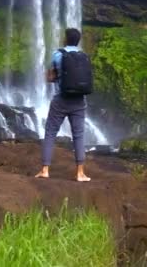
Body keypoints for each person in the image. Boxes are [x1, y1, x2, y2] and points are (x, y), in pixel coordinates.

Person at [35, 28, 92, 182]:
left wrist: (55, 76)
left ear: (66, 39)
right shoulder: (84, 56)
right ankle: (80, 173)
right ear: (78, 41)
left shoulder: (57, 54)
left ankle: (45, 170)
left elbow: (50, 77)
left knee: (50, 132)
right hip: (79, 101)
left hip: (61, 99)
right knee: (78, 135)